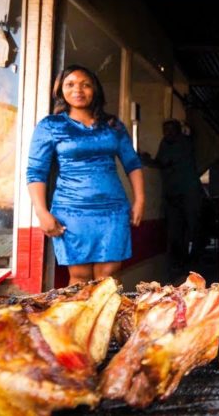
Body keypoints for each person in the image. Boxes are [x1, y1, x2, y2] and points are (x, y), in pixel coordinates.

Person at [27, 65, 145, 286]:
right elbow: (36, 171)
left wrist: (140, 200)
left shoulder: (113, 125)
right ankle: (80, 321)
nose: (78, 90)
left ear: (95, 89)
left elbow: (132, 163)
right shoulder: (51, 126)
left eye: (85, 84)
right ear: (60, 90)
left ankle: (110, 322)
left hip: (112, 210)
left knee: (109, 278)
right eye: (70, 84)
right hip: (71, 211)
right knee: (79, 277)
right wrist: (41, 212)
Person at [146, 119, 202, 273]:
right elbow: (160, 161)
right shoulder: (165, 143)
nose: (168, 133)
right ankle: (179, 263)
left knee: (191, 228)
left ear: (178, 130)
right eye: (165, 130)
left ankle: (194, 262)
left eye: (171, 130)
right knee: (175, 230)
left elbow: (166, 162)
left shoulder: (184, 142)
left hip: (188, 193)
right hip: (172, 194)